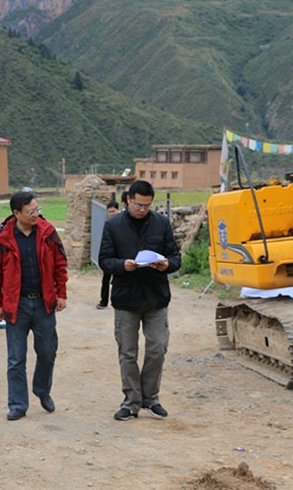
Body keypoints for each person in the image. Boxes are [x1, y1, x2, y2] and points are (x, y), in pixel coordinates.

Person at [99, 180, 181, 421]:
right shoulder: (113, 225)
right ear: (128, 201)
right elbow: (104, 260)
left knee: (158, 348)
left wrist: (167, 264)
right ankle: (131, 402)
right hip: (126, 297)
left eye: (147, 205)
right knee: (128, 352)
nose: (143, 209)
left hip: (156, 297)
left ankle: (151, 399)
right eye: (138, 205)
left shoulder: (161, 223)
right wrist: (121, 265)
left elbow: (175, 257)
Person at [0, 190, 68, 420]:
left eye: (37, 210)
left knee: (48, 352)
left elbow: (60, 264)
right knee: (16, 358)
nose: (35, 215)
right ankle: (17, 404)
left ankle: (42, 390)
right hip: (17, 305)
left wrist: (61, 293)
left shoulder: (48, 232)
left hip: (43, 303)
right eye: (30, 212)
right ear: (16, 213)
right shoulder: (3, 239)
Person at [96, 200, 121, 310]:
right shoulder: (108, 224)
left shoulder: (123, 222)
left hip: (120, 255)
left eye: (113, 211)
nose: (111, 214)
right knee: (106, 279)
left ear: (118, 210)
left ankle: (119, 301)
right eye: (109, 212)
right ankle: (103, 301)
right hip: (109, 256)